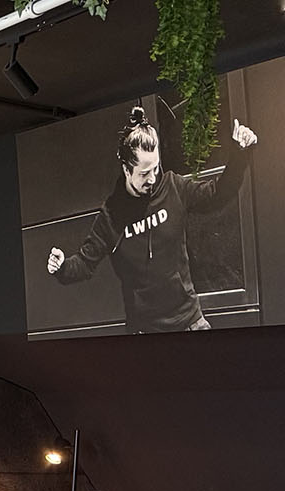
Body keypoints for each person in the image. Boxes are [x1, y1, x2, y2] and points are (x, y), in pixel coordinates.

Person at [47, 107, 257, 333]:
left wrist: (239, 155)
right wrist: (62, 267)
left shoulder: (174, 187)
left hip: (189, 321)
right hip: (145, 330)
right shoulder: (111, 216)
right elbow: (84, 263)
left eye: (155, 168)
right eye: (144, 173)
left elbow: (217, 195)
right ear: (127, 170)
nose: (152, 178)